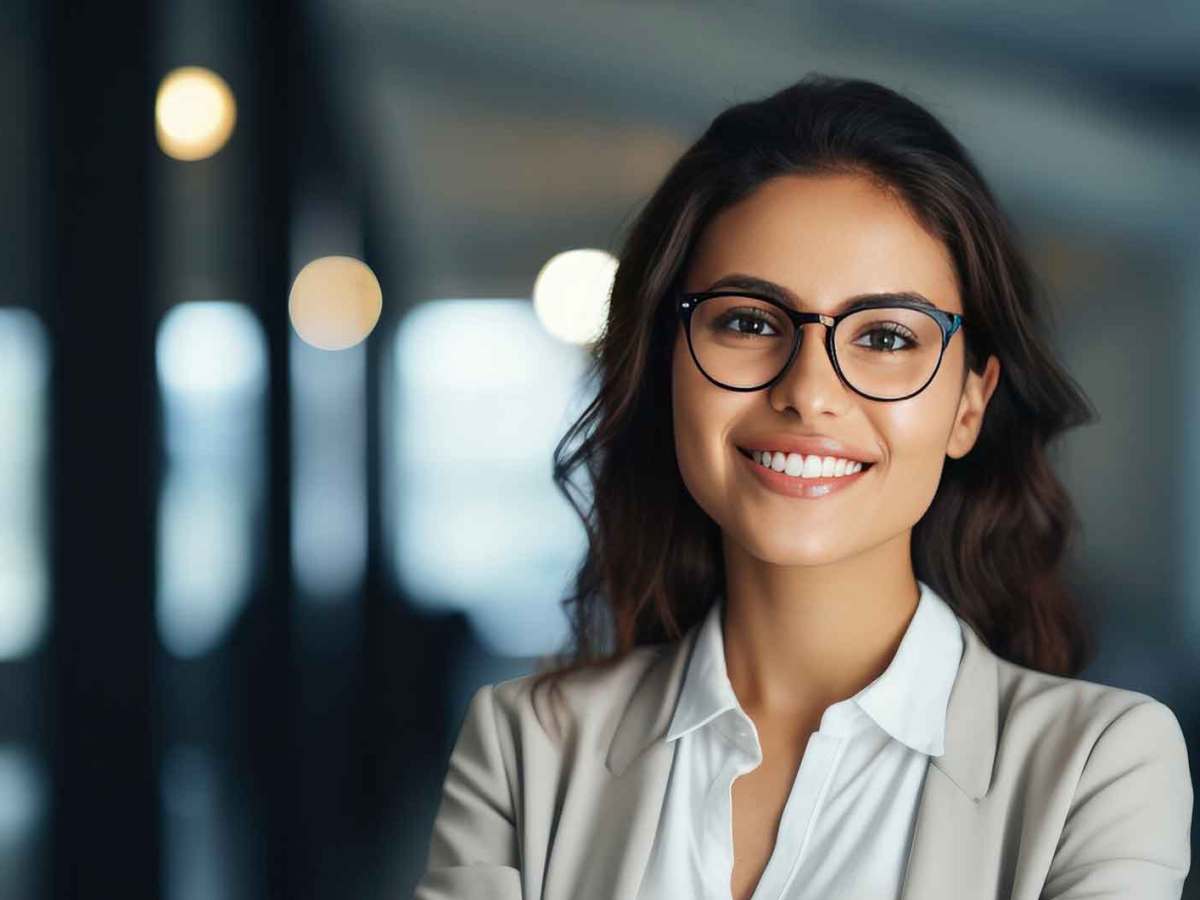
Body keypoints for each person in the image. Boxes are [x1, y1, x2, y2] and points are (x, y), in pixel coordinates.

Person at [413, 73, 1193, 899]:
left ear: (970, 404)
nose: (809, 391)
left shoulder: (1100, 766)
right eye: (748, 322)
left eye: (886, 336)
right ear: (666, 366)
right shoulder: (525, 747)